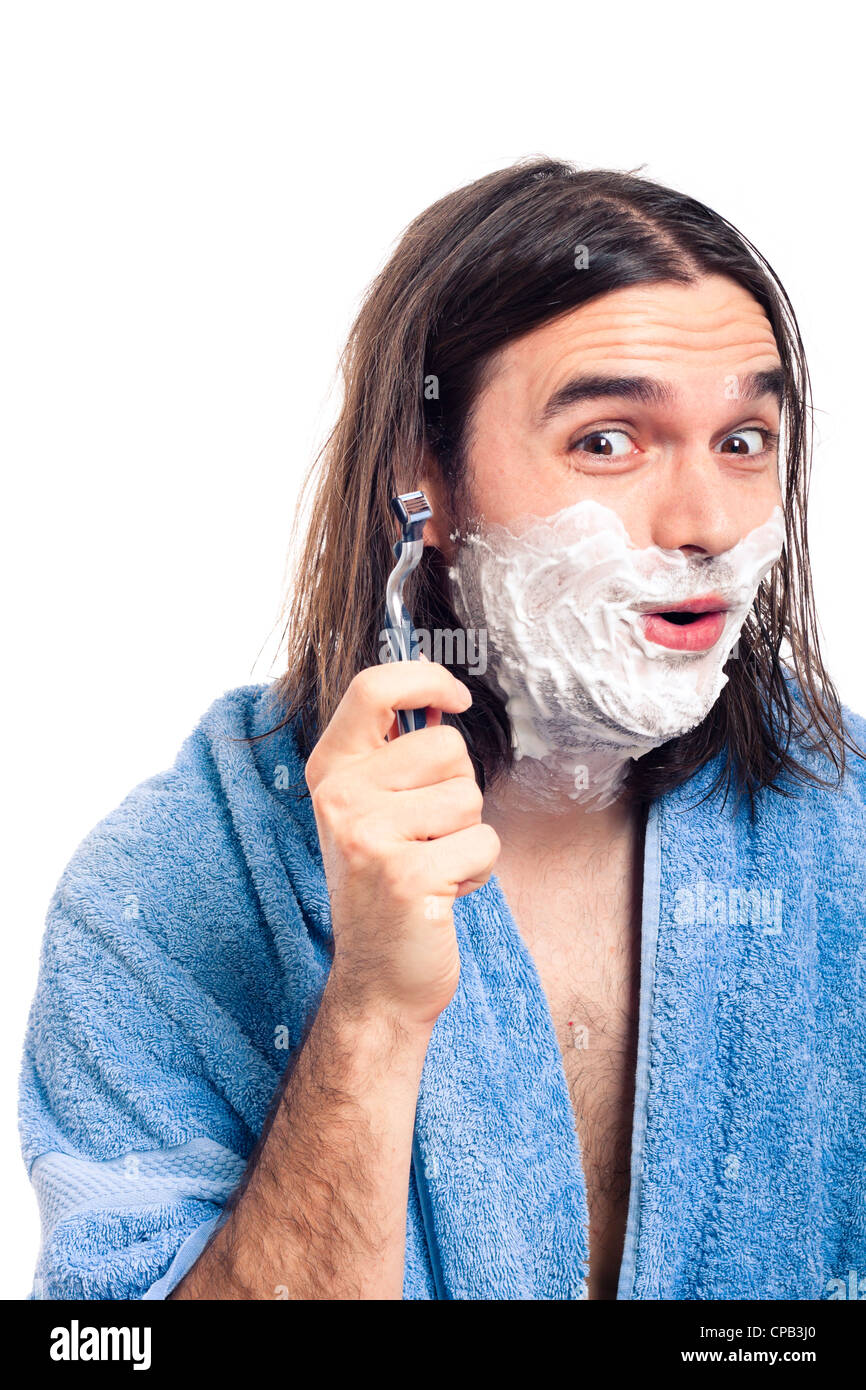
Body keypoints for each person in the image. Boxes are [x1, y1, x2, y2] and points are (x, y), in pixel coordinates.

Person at [19, 156, 866, 1301]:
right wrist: (368, 1008)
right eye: (606, 441)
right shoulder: (169, 888)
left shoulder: (844, 829)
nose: (706, 523)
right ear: (425, 484)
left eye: (741, 440)